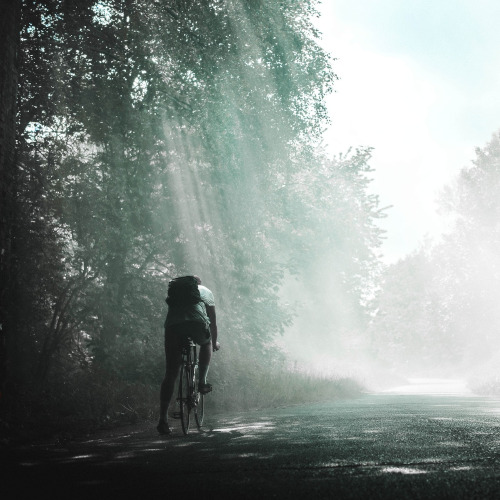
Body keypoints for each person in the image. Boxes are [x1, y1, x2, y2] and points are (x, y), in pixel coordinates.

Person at [157, 275, 219, 435]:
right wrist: (215, 341)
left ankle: (162, 419)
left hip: (173, 327)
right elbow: (212, 319)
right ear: (198, 283)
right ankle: (202, 381)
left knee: (170, 373)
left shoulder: (175, 294)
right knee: (207, 343)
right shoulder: (205, 291)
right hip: (196, 324)